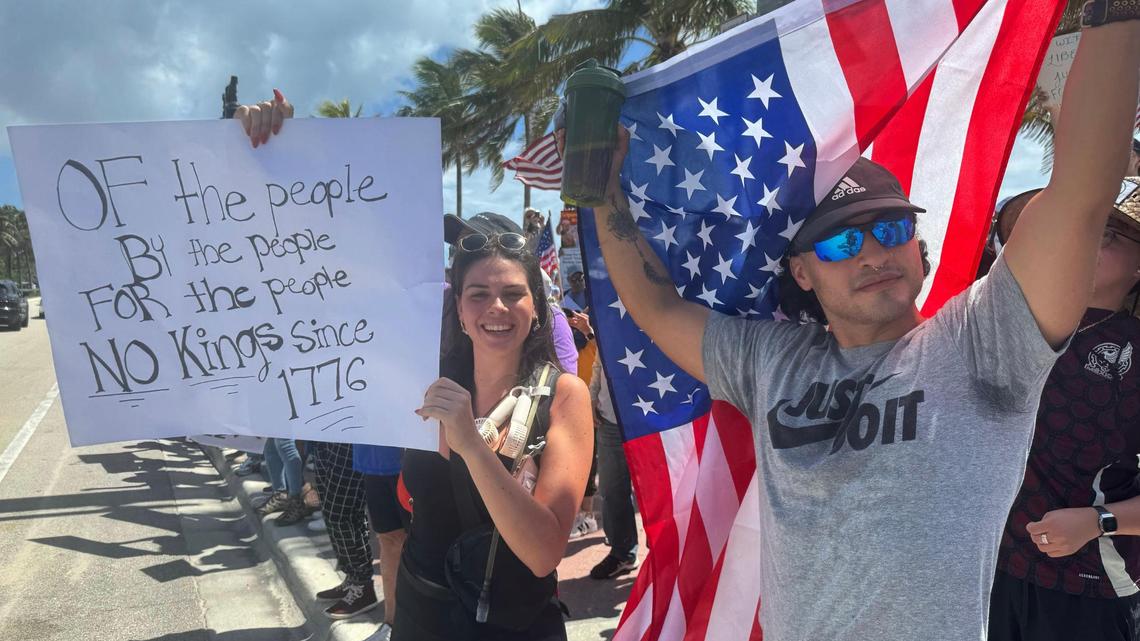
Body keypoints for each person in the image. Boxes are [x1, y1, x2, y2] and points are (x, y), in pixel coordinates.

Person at [567, 15, 1139, 641]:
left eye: (891, 229)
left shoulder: (982, 345)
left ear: (917, 248)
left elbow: (1081, 192)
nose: (872, 253)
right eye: (840, 242)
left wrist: (1116, 12)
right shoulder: (770, 361)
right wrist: (604, 192)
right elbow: (658, 308)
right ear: (802, 273)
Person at [400, 228, 593, 639]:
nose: (497, 307)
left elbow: (543, 554)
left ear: (536, 306)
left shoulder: (563, 396)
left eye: (513, 293)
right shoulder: (427, 386)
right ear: (459, 308)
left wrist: (471, 446)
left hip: (509, 620)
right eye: (479, 294)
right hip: (420, 609)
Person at [988, 178, 1140, 641]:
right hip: (987, 569)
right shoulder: (996, 325)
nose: (1084, 240)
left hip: (1088, 585)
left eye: (1108, 234)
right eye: (1075, 225)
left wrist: (1098, 522)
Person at [588, 358, 638, 580]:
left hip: (653, 417)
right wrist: (592, 396)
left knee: (659, 493)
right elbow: (600, 360)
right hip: (610, 420)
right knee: (611, 491)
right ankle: (622, 554)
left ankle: (665, 557)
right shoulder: (608, 329)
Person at [355, 445, 411, 639]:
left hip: (415, 456)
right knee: (388, 540)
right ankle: (391, 625)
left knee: (423, 543)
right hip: (373, 457)